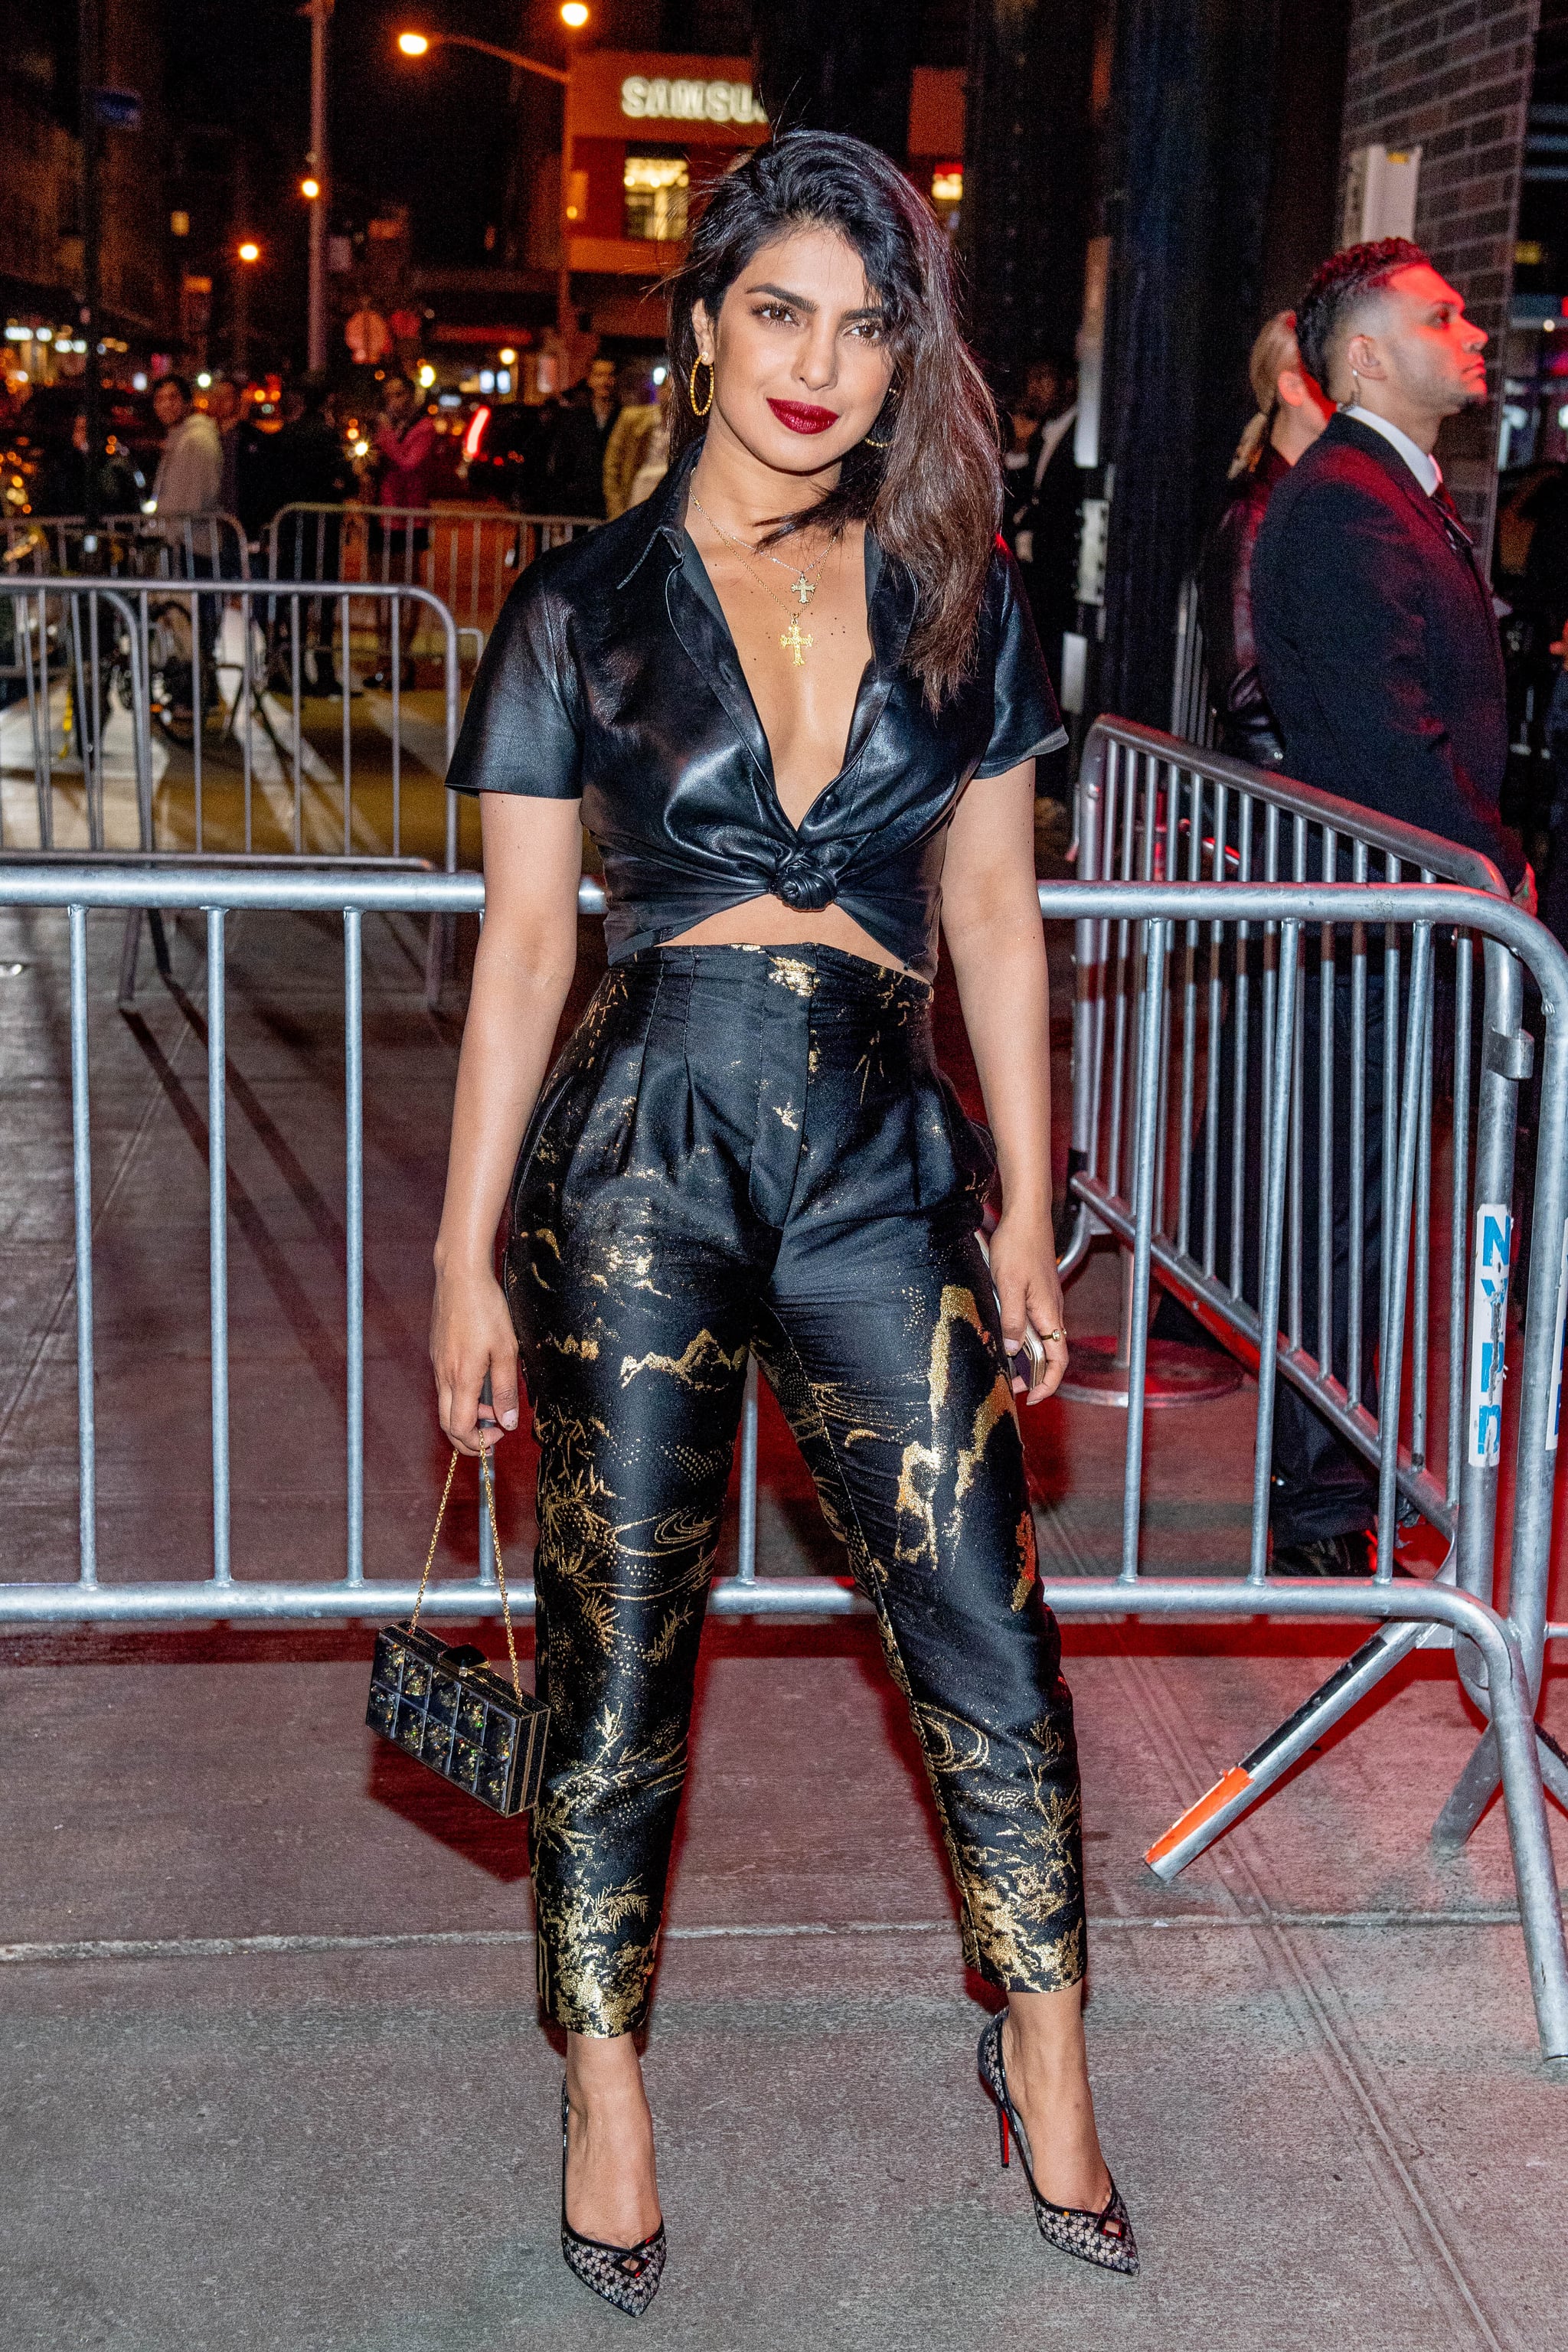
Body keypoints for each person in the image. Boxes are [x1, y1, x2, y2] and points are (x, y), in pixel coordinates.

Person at [431, 129, 1137, 2317]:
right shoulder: (576, 609)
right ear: (705, 323)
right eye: (779, 314)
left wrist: (1026, 1202)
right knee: (618, 1650)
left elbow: (1001, 921)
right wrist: (462, 1252)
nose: (818, 365)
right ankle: (606, 2075)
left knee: (990, 1637)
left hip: (873, 1167)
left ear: (900, 350)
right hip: (639, 1158)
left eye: (864, 323)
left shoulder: (962, 596)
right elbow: (529, 955)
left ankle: (1043, 2046)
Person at [1245, 238, 1532, 1575]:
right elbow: (1380, 731)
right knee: (1346, 1210)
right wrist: (1488, 869)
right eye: (1439, 314)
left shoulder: (1386, 492)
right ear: (1363, 357)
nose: (1468, 329)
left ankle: (1338, 1473)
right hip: (1385, 916)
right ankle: (1316, 1504)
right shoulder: (1348, 503)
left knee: (1363, 1204)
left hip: (1407, 911)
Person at [1198, 313, 1331, 766]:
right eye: (1329, 373)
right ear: (1293, 388)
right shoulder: (1252, 514)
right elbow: (1242, 689)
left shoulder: (1311, 501)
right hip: (1274, 808)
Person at [1003, 354, 1080, 704]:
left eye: (1044, 378)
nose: (1034, 389)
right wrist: (1019, 447)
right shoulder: (1040, 434)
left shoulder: (1081, 438)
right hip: (1035, 586)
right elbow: (1014, 502)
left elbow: (1064, 513)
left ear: (1068, 383)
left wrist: (1031, 540)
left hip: (1060, 589)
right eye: (1031, 378)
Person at [270, 374, 354, 693]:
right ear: (328, 400)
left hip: (291, 528)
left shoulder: (286, 435)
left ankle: (292, 670)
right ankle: (324, 672)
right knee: (323, 603)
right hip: (323, 528)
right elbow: (347, 479)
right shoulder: (326, 435)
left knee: (295, 601)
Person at [366, 376, 436, 688]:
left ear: (411, 396)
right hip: (381, 518)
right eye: (389, 395)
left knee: (406, 592)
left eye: (400, 394)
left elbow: (410, 463)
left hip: (409, 521)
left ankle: (403, 663)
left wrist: (384, 438)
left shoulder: (424, 428)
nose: (394, 401)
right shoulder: (385, 430)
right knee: (382, 594)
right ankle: (383, 663)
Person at [547, 354, 622, 516]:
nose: (605, 381)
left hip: (611, 505)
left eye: (610, 375)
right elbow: (561, 466)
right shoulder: (574, 420)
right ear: (590, 379)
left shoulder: (623, 418)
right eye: (599, 375)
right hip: (577, 505)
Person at [150, 375, 222, 524]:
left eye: (173, 398)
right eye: (160, 399)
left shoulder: (197, 439)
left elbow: (199, 496)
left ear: (188, 403)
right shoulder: (177, 439)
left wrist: (171, 535)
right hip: (178, 536)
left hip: (190, 540)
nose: (166, 405)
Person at [601, 365, 661, 518]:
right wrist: (616, 511)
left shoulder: (688, 424)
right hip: (638, 496)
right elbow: (613, 464)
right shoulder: (633, 418)